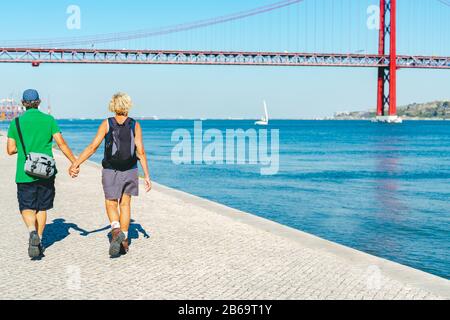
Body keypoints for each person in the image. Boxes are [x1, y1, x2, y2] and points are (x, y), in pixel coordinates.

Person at [70, 92, 152, 257]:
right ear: (127, 106)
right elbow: (141, 151)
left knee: (111, 203)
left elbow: (93, 147)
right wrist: (147, 176)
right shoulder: (135, 125)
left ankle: (115, 230)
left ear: (113, 106)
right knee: (125, 204)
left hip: (110, 169)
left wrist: (76, 163)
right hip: (130, 169)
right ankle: (125, 240)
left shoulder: (107, 123)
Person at [6, 89, 78, 259]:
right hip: (46, 172)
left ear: (23, 103)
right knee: (42, 207)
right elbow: (61, 143)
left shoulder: (15, 123)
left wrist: (25, 148)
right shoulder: (49, 120)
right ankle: (39, 240)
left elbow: (10, 150)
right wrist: (74, 163)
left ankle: (32, 232)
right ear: (39, 102)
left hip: (25, 173)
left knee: (26, 206)